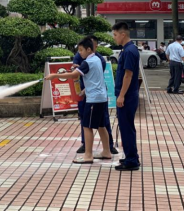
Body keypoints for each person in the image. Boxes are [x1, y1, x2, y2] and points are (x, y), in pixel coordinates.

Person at [46, 38, 112, 164]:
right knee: (101, 125)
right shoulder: (97, 59)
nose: (79, 53)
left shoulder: (88, 62)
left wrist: (55, 76)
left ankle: (88, 155)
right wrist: (84, 88)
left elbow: (73, 75)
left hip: (93, 100)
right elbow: (94, 78)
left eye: (81, 50)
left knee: (87, 126)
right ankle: (106, 151)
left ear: (89, 49)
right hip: (101, 98)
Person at [73, 35, 118, 155]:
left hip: (94, 95)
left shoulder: (98, 59)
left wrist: (55, 76)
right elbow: (76, 72)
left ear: (94, 47)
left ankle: (106, 147)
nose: (81, 52)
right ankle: (87, 145)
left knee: (97, 123)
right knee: (87, 120)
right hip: (88, 93)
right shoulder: (81, 56)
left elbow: (96, 77)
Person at [112, 22, 141, 172]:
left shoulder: (129, 51)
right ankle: (132, 156)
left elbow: (128, 75)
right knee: (126, 127)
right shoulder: (128, 49)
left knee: (126, 127)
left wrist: (121, 95)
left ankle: (131, 160)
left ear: (123, 34)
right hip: (128, 94)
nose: (114, 37)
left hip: (127, 96)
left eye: (115, 34)